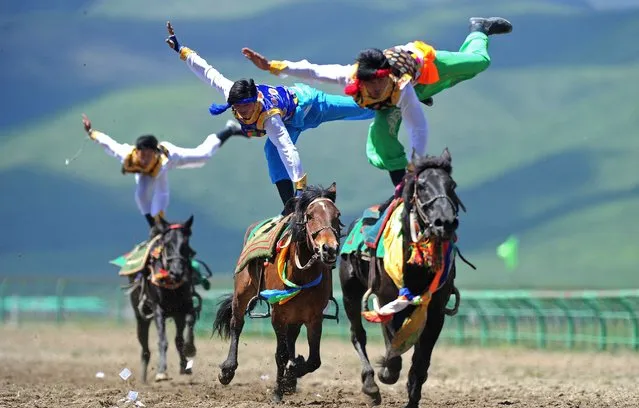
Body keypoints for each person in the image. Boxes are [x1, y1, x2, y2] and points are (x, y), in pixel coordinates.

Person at [242, 17, 513, 187]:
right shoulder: (350, 77)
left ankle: (479, 29)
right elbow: (313, 70)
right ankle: (401, 189)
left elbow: (418, 127)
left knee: (479, 63)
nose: (375, 87)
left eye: (379, 82)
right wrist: (274, 66)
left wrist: (416, 160)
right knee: (381, 140)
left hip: (427, 68)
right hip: (394, 104)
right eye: (370, 84)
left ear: (387, 77)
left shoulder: (400, 86)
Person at [164, 22, 375, 210]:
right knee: (271, 152)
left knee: (361, 107)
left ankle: (394, 101)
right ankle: (290, 207)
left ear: (255, 100)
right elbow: (207, 72)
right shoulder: (230, 91)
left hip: (310, 107)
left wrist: (300, 185)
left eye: (246, 107)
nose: (243, 112)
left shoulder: (268, 115)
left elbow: (287, 148)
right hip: (289, 121)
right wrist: (181, 50)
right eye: (238, 107)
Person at [81, 113, 243, 227]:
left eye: (148, 154)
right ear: (136, 151)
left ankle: (229, 130)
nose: (144, 158)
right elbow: (107, 142)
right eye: (141, 153)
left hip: (172, 157)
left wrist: (159, 217)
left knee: (203, 157)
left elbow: (162, 193)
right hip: (143, 174)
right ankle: (152, 225)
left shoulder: (163, 162)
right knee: (140, 194)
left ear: (155, 152)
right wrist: (90, 131)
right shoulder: (127, 155)